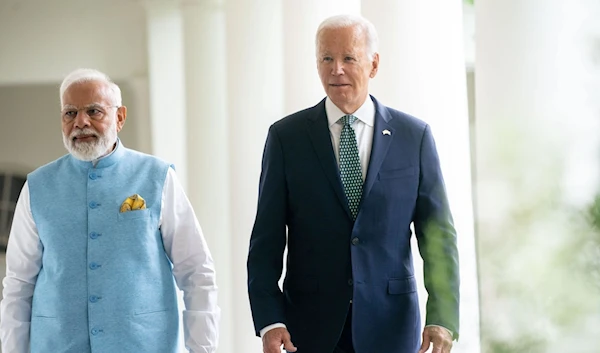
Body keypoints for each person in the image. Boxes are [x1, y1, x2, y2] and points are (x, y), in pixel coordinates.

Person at [247, 14, 459, 353]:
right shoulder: (286, 138)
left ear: (373, 65)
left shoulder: (413, 137)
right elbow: (265, 242)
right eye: (326, 59)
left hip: (392, 327)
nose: (336, 70)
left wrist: (443, 316)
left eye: (349, 58)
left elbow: (438, 237)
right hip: (310, 330)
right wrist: (270, 320)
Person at [0, 68, 220, 353]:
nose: (80, 122)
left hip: (145, 344)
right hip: (56, 344)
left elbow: (195, 270)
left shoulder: (157, 176)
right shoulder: (37, 187)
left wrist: (203, 349)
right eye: (70, 113)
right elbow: (18, 283)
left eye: (93, 111)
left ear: (119, 117)